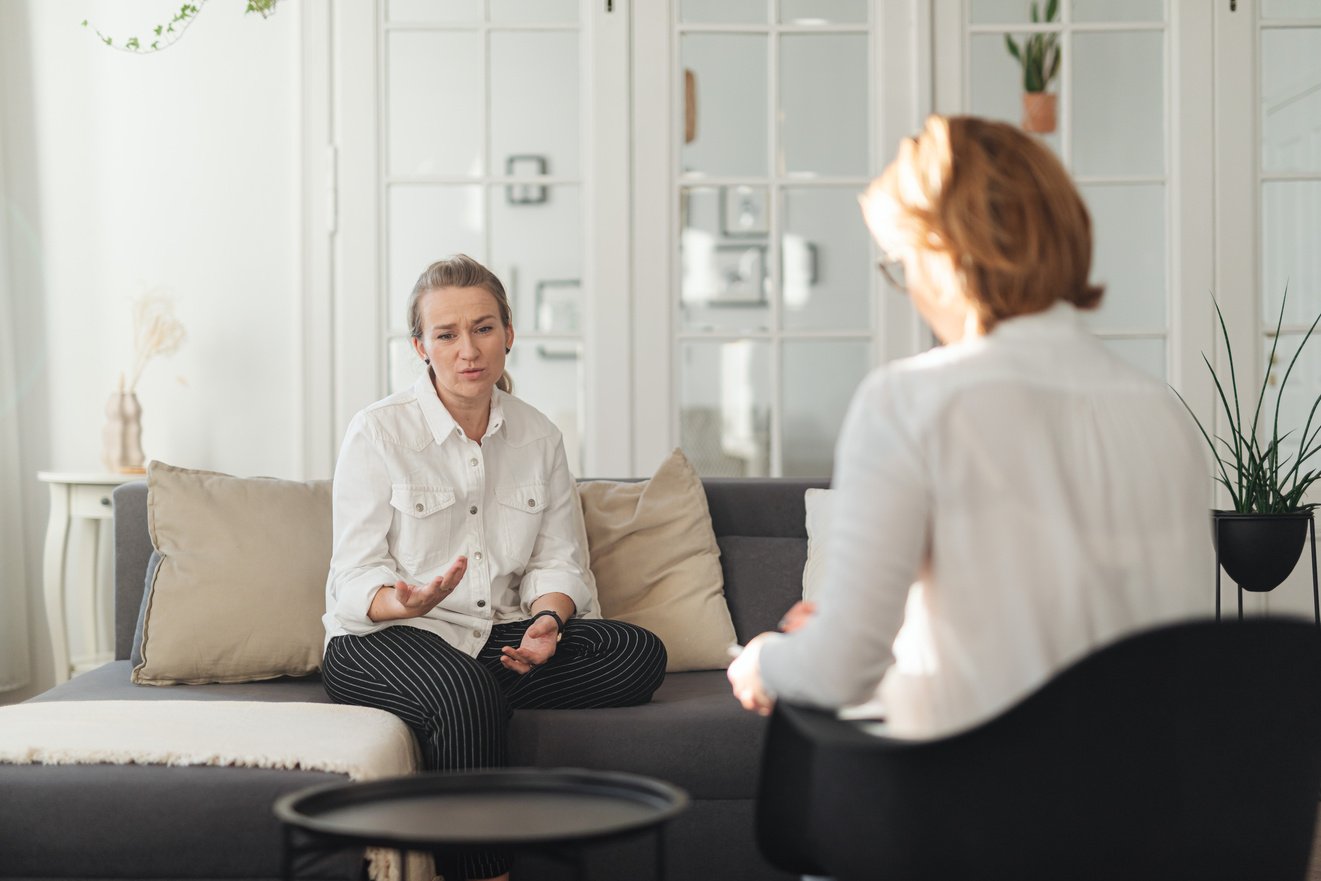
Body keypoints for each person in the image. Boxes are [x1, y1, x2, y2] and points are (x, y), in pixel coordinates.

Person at [728, 114, 1211, 739]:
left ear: (944, 256)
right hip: (1160, 813)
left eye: (902, 263)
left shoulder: (909, 399)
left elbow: (839, 671)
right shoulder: (1165, 413)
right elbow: (1086, 626)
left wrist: (767, 659)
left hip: (982, 809)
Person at [321, 254, 667, 881]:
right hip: (383, 639)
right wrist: (407, 603)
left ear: (509, 333)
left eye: (483, 328)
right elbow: (353, 575)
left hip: (496, 639)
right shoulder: (377, 432)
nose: (467, 350)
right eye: (447, 334)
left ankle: (456, 714)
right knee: (465, 690)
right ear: (421, 346)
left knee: (635, 654)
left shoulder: (539, 436)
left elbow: (558, 560)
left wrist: (547, 622)